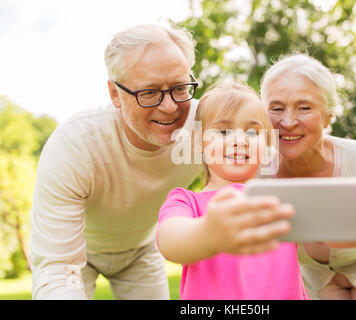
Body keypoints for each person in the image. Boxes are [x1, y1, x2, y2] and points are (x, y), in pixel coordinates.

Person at [30, 23, 292, 300]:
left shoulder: (208, 127)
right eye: (149, 92)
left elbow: (272, 147)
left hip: (142, 248)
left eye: (180, 87)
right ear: (115, 94)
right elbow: (58, 269)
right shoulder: (75, 146)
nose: (170, 108)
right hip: (79, 249)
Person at [260, 53, 356, 300]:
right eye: (276, 108)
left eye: (304, 108)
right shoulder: (256, 175)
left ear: (329, 116)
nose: (287, 122)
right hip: (318, 281)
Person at [157, 81, 310, 299]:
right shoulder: (186, 202)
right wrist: (209, 231)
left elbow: (327, 243)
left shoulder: (282, 199)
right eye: (224, 131)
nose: (240, 140)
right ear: (199, 142)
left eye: (252, 132)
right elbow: (170, 240)